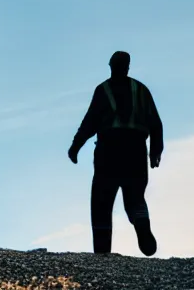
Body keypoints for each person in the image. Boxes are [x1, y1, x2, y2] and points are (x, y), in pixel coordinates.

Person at [68, 51, 164, 256]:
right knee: (135, 197)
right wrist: (155, 152)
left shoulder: (103, 90)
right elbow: (156, 124)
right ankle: (141, 222)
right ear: (127, 67)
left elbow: (89, 122)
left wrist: (75, 146)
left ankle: (102, 253)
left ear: (111, 65)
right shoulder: (141, 90)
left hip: (109, 151)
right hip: (136, 151)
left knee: (102, 200)